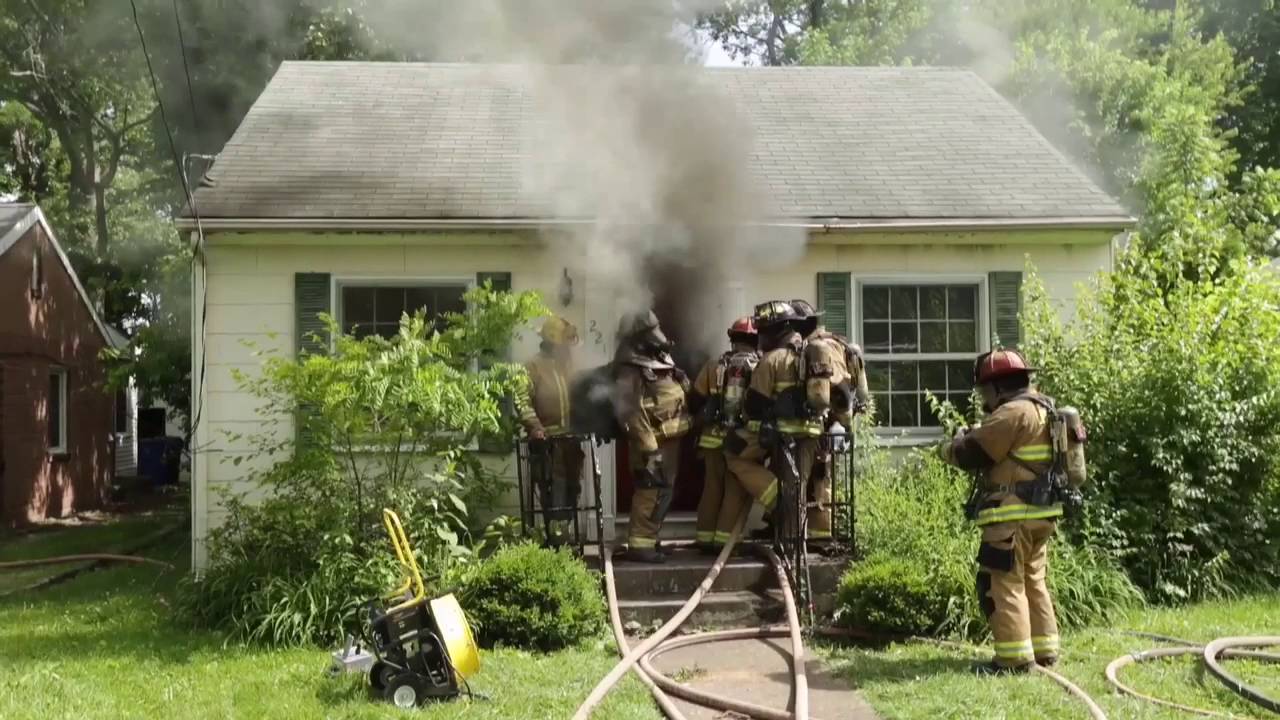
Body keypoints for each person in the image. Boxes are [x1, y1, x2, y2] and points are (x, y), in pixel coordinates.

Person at [938, 348, 1062, 674]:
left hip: (1011, 516)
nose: (984, 399)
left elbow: (971, 454)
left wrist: (950, 446)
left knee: (1003, 584)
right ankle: (1045, 650)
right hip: (1042, 513)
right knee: (1033, 580)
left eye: (984, 391)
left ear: (996, 387)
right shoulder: (1045, 408)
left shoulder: (1012, 412)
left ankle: (1013, 660)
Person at [729, 300, 824, 543]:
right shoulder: (811, 354)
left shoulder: (772, 359)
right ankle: (787, 533)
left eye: (763, 331)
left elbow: (754, 405)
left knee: (732, 452)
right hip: (811, 433)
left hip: (781, 435)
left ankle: (779, 504)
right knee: (797, 483)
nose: (760, 337)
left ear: (775, 331)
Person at [788, 299, 870, 542]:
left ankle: (804, 535)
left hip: (822, 423)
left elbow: (835, 389)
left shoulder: (816, 348)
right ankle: (819, 534)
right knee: (820, 477)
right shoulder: (836, 343)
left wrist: (834, 421)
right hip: (836, 422)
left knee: (807, 477)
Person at [613, 310, 691, 564]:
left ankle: (650, 539)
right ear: (637, 338)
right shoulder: (629, 367)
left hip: (668, 440)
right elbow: (629, 410)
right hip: (651, 443)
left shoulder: (657, 358)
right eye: (651, 333)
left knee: (663, 492)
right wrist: (649, 448)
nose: (658, 337)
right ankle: (640, 546)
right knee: (650, 490)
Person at [690, 317, 760, 555]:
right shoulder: (759, 366)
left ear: (733, 340)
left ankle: (704, 537)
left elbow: (695, 399)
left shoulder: (714, 365)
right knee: (734, 489)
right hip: (739, 440)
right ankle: (724, 543)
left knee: (712, 486)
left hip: (711, 438)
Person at [518, 316, 585, 543]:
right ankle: (557, 543)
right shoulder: (532, 366)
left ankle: (565, 536)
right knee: (554, 492)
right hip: (546, 444)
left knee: (572, 489)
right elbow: (522, 401)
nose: (568, 348)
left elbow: (581, 396)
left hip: (571, 442)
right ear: (552, 342)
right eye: (564, 344)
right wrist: (535, 428)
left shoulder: (569, 366)